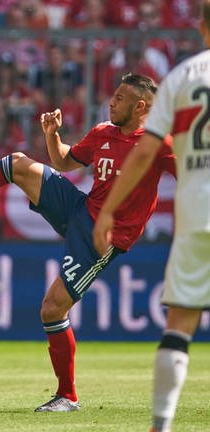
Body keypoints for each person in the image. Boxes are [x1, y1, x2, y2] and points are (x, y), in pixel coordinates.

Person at [0, 72, 175, 412]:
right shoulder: (104, 132)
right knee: (18, 164)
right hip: (81, 208)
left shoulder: (159, 144)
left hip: (103, 238)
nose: (111, 102)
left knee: (52, 308)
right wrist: (52, 134)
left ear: (140, 106)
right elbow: (63, 161)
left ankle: (68, 396)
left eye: (119, 98)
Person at [93, 3, 210, 430]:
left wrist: (107, 208)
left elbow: (145, 150)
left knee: (180, 322)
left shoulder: (181, 78)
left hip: (198, 213)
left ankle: (160, 424)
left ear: (201, 27)